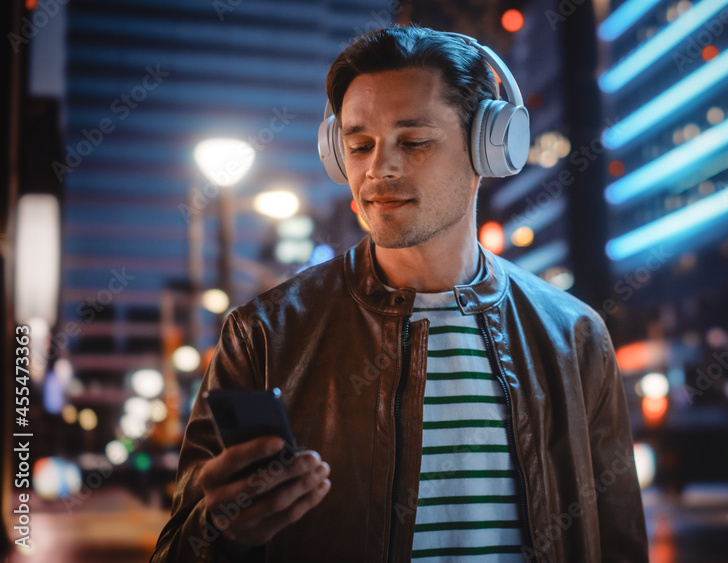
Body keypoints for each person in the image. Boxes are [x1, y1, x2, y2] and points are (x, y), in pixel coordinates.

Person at [151, 25, 647, 562]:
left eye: (413, 142)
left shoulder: (574, 335)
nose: (378, 168)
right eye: (359, 145)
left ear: (491, 146)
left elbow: (618, 544)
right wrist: (220, 533)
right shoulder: (265, 335)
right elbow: (176, 550)